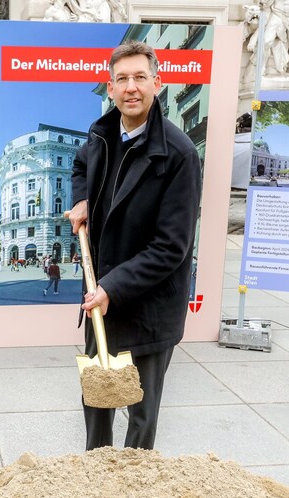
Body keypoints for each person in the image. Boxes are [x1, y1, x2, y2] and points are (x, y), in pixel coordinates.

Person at [69, 41, 201, 451]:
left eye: (140, 78)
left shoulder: (179, 154)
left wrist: (114, 287)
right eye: (122, 79)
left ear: (157, 84)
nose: (131, 87)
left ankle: (135, 494)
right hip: (101, 300)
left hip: (149, 308)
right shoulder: (100, 135)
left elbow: (171, 247)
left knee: (140, 417)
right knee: (96, 404)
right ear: (110, 88)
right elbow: (79, 165)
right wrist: (81, 199)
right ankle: (96, 480)